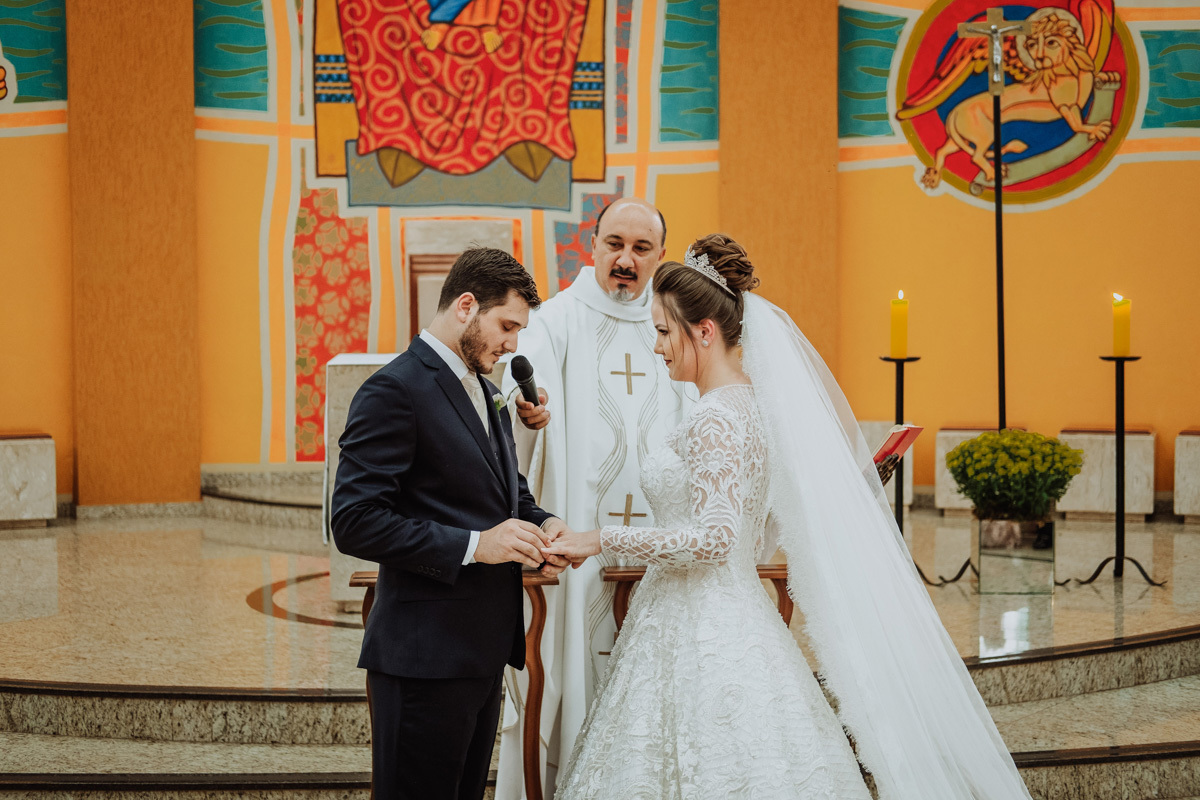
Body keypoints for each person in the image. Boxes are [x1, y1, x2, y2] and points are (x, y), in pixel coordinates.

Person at [543, 235, 1034, 799]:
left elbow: (716, 540)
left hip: (696, 621)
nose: (657, 347)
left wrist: (598, 538)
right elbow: (762, 531)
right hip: (730, 611)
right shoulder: (758, 407)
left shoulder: (714, 418)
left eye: (662, 332)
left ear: (704, 331)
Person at [331, 247, 570, 800]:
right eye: (507, 326)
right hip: (423, 660)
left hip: (480, 654)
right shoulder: (395, 389)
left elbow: (507, 496)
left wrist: (545, 523)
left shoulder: (488, 391)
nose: (513, 344)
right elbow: (355, 520)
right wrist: (475, 545)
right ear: (466, 306)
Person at [495, 197, 694, 798]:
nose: (625, 260)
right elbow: (522, 375)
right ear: (594, 245)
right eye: (615, 244)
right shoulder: (558, 318)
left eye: (641, 248)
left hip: (659, 549)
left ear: (661, 255)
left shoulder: (674, 324)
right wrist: (529, 407)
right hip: (579, 544)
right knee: (574, 661)